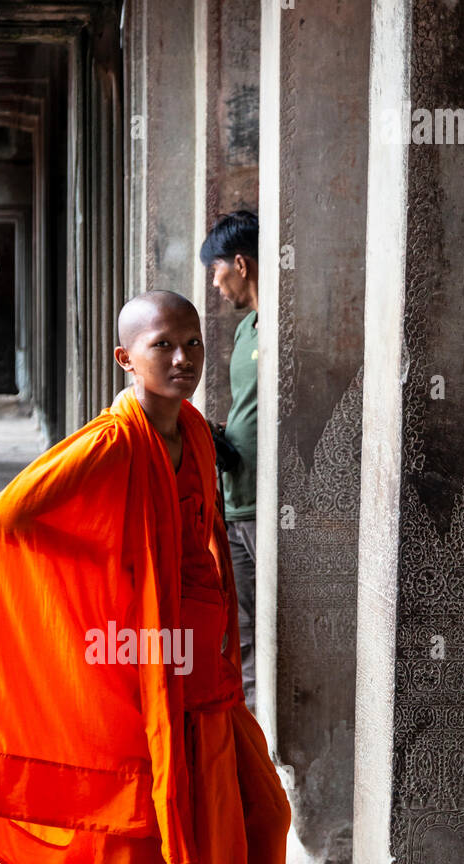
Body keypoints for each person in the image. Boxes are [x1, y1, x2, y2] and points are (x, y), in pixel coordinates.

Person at [0, 290, 331, 864]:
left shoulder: (193, 431)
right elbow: (5, 519)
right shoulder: (113, 442)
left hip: (205, 667)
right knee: (139, 828)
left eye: (192, 343)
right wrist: (98, 588)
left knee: (259, 813)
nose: (183, 359)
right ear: (127, 358)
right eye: (163, 346)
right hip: (142, 666)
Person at [200, 210, 259, 711]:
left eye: (216, 272)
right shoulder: (246, 333)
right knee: (238, 629)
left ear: (240, 264)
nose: (216, 285)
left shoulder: (281, 329)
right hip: (235, 497)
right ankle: (246, 736)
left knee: (274, 623)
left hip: (270, 502)